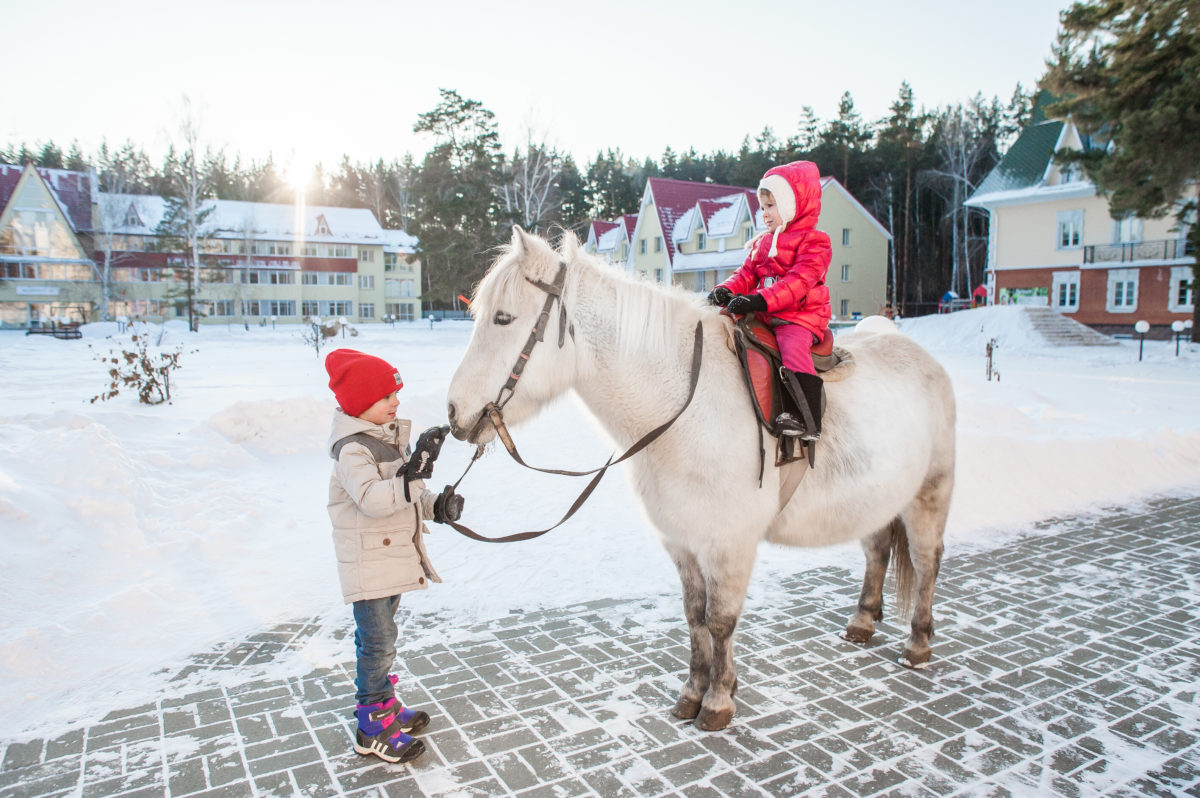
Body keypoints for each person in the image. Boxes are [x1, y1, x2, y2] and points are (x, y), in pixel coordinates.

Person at [324, 348, 465, 764]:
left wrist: (435, 504)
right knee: (377, 643)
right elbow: (373, 499)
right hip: (368, 566)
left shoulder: (385, 441)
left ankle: (383, 705)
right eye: (386, 397)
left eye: (395, 396)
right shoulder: (352, 450)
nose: (396, 402)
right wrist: (417, 473)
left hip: (388, 561)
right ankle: (371, 726)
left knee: (382, 641)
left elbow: (404, 495)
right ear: (362, 403)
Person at [708, 161, 832, 440]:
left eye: (771, 206)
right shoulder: (763, 243)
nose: (764, 214)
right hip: (766, 312)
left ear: (791, 206)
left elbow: (798, 283)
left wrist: (758, 301)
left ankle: (808, 419)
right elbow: (746, 274)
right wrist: (726, 290)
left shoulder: (815, 242)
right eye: (762, 207)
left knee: (792, 348)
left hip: (799, 316)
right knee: (725, 326)